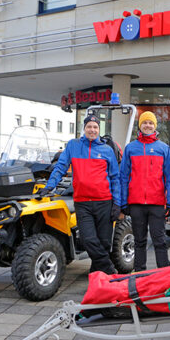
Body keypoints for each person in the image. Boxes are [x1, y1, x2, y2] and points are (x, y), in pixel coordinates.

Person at [40, 114, 121, 274]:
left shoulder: (106, 150)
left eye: (95, 127)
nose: (92, 129)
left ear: (99, 129)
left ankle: (97, 278)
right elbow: (61, 166)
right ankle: (109, 270)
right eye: (89, 126)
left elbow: (115, 178)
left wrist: (117, 203)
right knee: (88, 240)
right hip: (83, 202)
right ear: (84, 129)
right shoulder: (73, 146)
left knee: (104, 242)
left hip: (104, 201)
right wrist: (49, 186)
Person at [120, 111, 170, 271]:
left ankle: (164, 273)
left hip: (157, 203)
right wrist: (124, 202)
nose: (148, 125)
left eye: (151, 123)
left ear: (155, 126)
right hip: (136, 203)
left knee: (160, 241)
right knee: (139, 241)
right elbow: (124, 177)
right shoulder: (131, 148)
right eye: (145, 122)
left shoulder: (163, 148)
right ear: (140, 125)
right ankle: (139, 274)